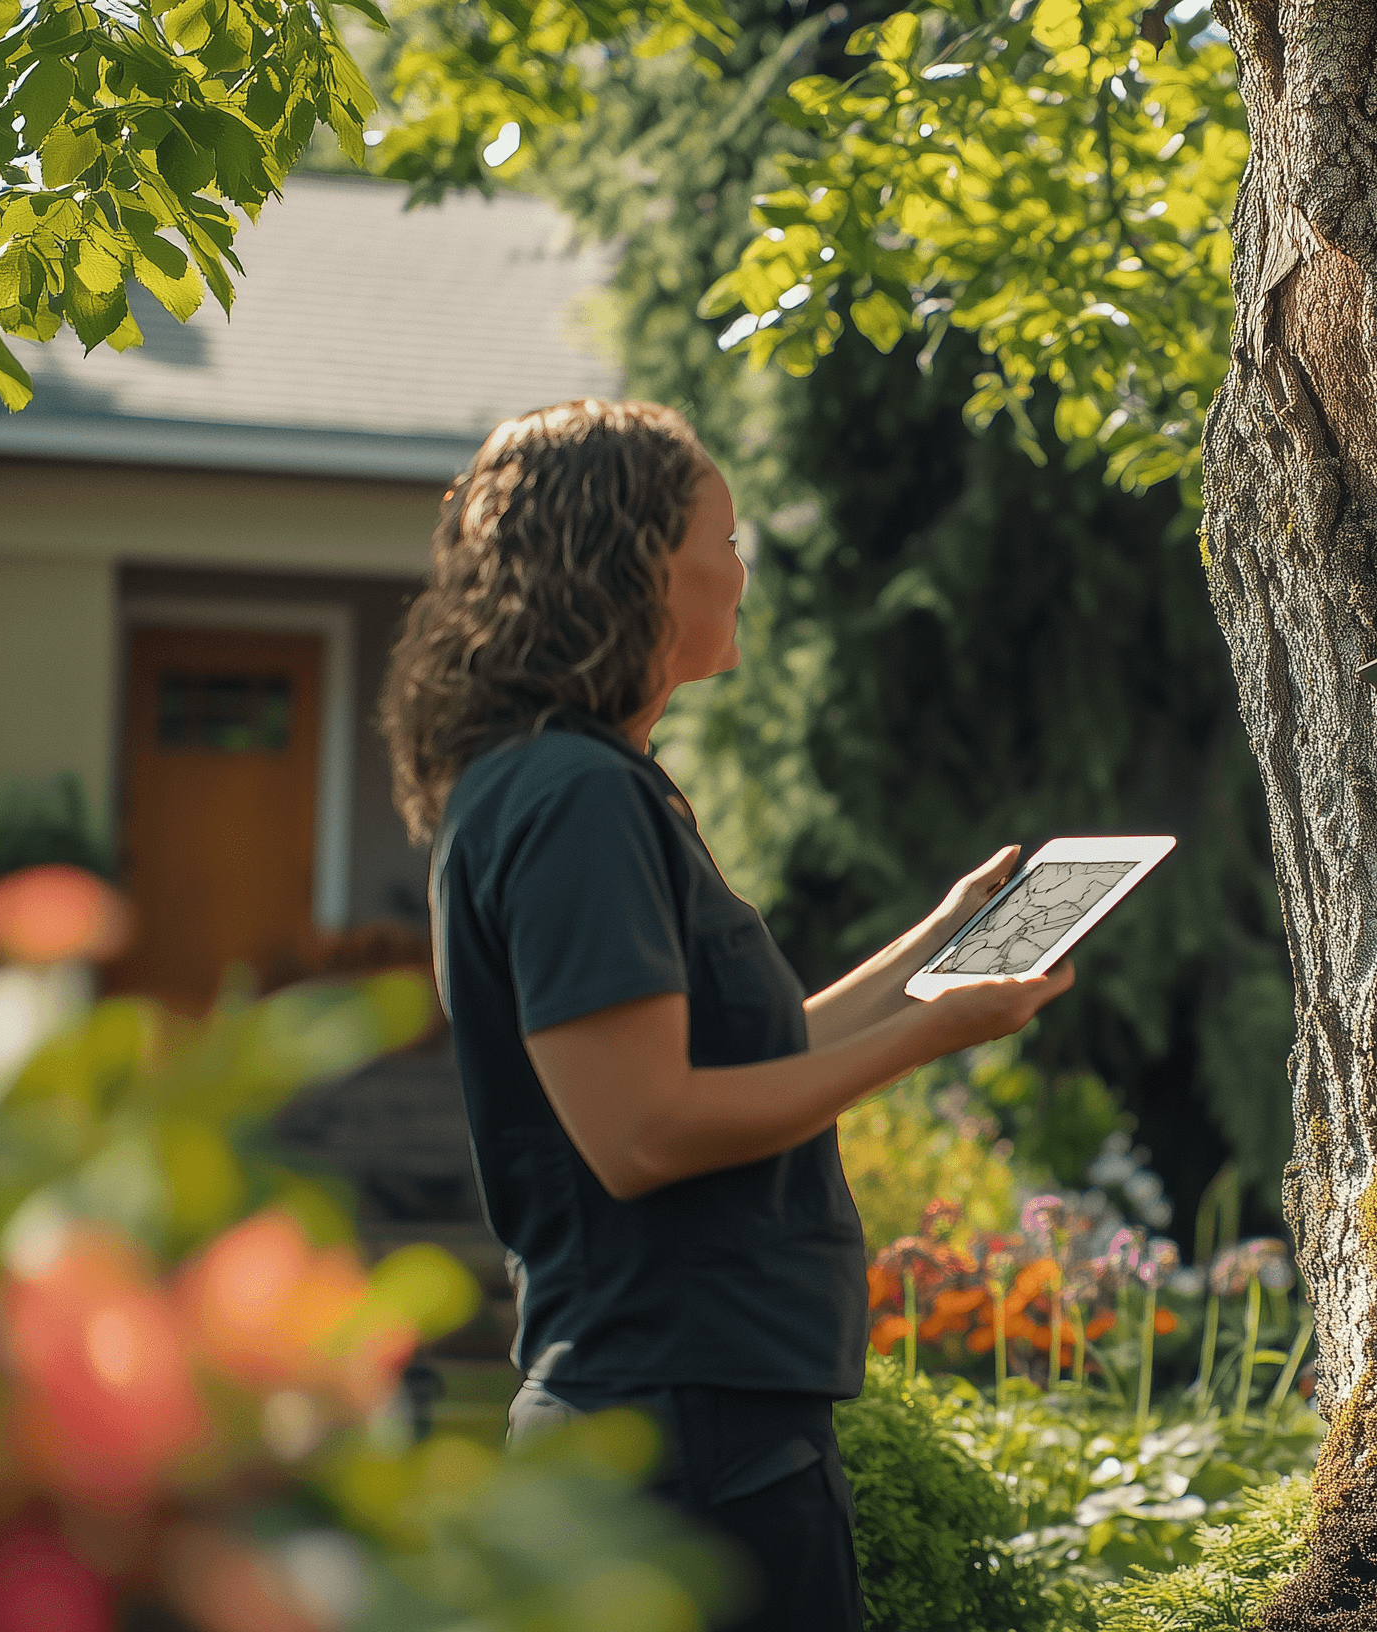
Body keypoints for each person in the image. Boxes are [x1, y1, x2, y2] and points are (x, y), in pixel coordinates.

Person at [381, 399, 1070, 1631]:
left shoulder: (583, 782)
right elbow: (645, 1131)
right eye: (727, 538)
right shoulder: (573, 797)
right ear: (640, 561)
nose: (742, 570)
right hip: (680, 1442)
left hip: (701, 1425)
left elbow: (753, 1058)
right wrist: (926, 1037)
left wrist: (940, 942)